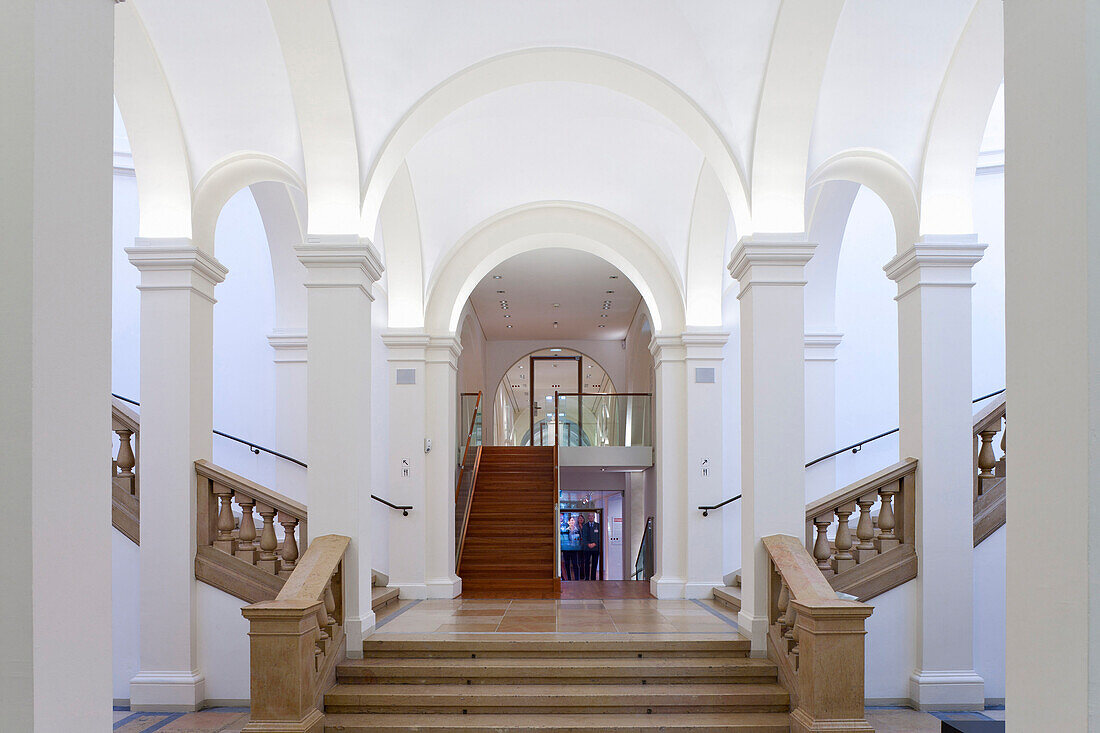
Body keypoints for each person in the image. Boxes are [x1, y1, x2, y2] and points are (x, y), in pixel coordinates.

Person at [560, 514, 581, 580]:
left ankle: (577, 578)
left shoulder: (577, 530)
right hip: (566, 549)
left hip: (574, 549)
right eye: (571, 520)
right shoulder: (564, 530)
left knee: (575, 564)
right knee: (567, 565)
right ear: (568, 522)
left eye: (573, 520)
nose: (572, 522)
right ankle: (568, 578)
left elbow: (579, 539)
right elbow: (562, 539)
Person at [581, 513, 601, 581]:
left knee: (594, 563)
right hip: (587, 548)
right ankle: (586, 577)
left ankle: (593, 578)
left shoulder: (598, 526)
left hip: (595, 548)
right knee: (586, 563)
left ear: (594, 517)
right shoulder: (585, 526)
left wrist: (595, 544)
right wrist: (588, 544)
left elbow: (599, 536)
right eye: (589, 516)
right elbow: (583, 537)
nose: (591, 517)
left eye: (592, 516)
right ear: (588, 517)